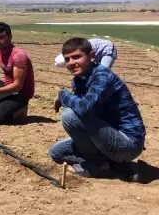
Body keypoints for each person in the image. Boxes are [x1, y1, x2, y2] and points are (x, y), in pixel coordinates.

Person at [48, 38, 145, 180]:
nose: (71, 63)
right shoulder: (79, 80)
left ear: (92, 56)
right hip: (107, 135)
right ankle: (115, 164)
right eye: (67, 59)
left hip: (127, 142)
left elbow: (83, 109)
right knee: (57, 153)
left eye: (77, 57)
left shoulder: (102, 76)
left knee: (69, 115)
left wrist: (62, 94)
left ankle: (100, 165)